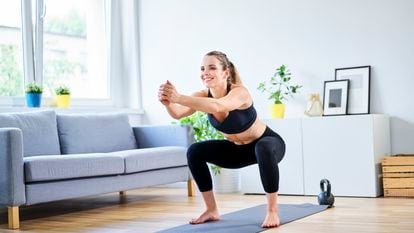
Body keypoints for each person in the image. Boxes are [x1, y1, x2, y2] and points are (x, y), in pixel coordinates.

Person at [158, 51, 285, 228]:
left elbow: (218, 105)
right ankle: (211, 209)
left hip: (268, 145)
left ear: (225, 73)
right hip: (239, 151)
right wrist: (168, 103)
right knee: (195, 151)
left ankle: (272, 211)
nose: (205, 72)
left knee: (262, 147)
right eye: (202, 68)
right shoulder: (202, 96)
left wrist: (179, 97)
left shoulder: (240, 93)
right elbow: (179, 113)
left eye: (211, 67)